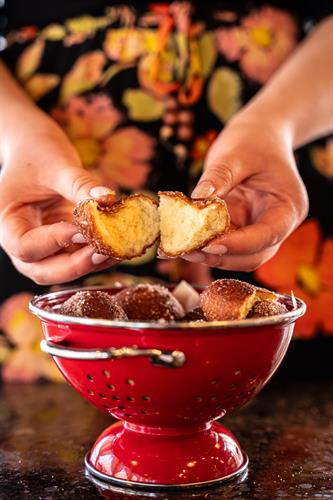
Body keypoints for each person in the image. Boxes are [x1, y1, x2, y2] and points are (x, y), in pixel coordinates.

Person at [0, 2, 332, 380]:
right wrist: (17, 136)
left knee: (290, 395)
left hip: (274, 156)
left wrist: (277, 125)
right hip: (48, 182)